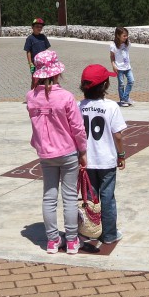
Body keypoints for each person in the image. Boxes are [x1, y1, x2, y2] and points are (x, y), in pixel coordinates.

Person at [26, 49, 87, 254]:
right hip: (68, 151)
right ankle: (71, 240)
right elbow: (77, 127)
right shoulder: (66, 97)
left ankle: (52, 240)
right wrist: (83, 150)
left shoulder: (31, 97)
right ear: (56, 73)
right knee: (69, 197)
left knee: (49, 197)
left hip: (45, 153)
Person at [78, 64, 127, 247]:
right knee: (108, 197)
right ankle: (109, 234)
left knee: (90, 198)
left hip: (86, 160)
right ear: (105, 85)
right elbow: (118, 135)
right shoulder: (111, 106)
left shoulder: (78, 106)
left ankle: (90, 230)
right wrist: (121, 154)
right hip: (106, 161)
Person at [24, 18, 50, 94]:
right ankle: (32, 95)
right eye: (37, 26)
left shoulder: (43, 37)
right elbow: (28, 51)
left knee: (45, 79)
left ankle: (43, 95)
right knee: (35, 80)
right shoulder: (30, 39)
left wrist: (48, 60)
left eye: (41, 27)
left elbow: (46, 49)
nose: (39, 28)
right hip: (34, 64)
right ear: (32, 27)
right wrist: (30, 63)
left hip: (44, 63)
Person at [109, 27, 134, 107]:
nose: (126, 37)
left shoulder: (127, 44)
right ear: (118, 35)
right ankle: (122, 100)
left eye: (127, 35)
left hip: (127, 67)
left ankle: (125, 98)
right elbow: (112, 57)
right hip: (119, 67)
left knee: (131, 81)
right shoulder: (113, 45)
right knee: (121, 84)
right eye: (124, 36)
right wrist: (113, 65)